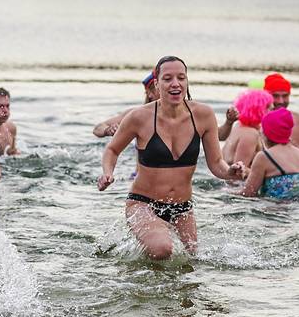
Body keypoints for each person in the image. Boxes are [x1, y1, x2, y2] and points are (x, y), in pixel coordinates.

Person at [97, 56, 246, 260]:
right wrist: (108, 173)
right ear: (157, 84)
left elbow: (216, 164)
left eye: (181, 77)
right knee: (162, 249)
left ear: (186, 81)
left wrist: (231, 172)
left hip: (182, 208)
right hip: (143, 204)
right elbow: (112, 150)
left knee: (192, 259)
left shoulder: (203, 115)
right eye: (167, 79)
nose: (175, 83)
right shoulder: (139, 117)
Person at [239, 108, 299, 200]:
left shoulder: (264, 156)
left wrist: (226, 192)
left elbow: (248, 193)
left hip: (277, 208)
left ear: (266, 133)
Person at [93, 72, 158, 138]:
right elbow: (98, 128)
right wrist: (108, 130)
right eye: (158, 87)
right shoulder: (137, 115)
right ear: (149, 93)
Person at [221, 90, 272, 170]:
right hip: (235, 181)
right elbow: (238, 172)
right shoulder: (250, 134)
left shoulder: (238, 126)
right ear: (257, 110)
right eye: (268, 108)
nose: (272, 112)